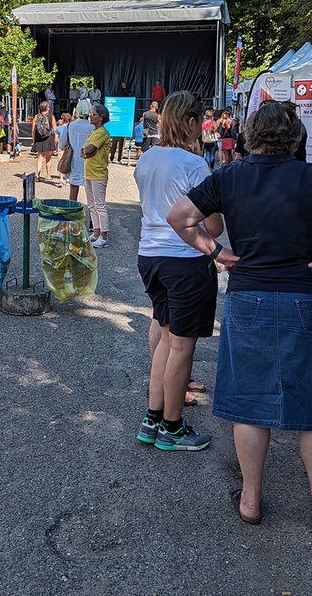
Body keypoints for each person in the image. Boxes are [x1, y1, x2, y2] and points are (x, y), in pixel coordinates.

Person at [167, 101, 312, 533]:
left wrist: (216, 252)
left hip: (250, 297)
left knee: (250, 403)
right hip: (307, 297)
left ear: (250, 136)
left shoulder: (229, 176)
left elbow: (179, 217)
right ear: (293, 136)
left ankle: (250, 501)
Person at [134, 92, 224, 452]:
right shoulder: (193, 164)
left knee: (167, 340)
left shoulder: (147, 158)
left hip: (150, 257)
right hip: (185, 261)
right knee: (182, 347)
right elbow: (214, 226)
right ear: (189, 122)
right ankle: (172, 426)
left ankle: (152, 417)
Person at [81, 103, 112, 248]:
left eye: (94, 114)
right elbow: (84, 150)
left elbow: (88, 150)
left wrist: (86, 151)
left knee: (100, 205)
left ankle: (104, 236)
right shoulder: (94, 132)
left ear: (101, 117)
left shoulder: (102, 133)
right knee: (92, 205)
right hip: (90, 171)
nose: (90, 116)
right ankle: (96, 232)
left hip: (98, 172)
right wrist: (86, 151)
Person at [64, 103, 94, 201]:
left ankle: (71, 214)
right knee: (91, 195)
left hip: (73, 161)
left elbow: (61, 145)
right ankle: (92, 216)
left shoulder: (70, 125)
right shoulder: (93, 127)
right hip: (89, 162)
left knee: (73, 191)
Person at [31, 101, 57, 185]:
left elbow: (33, 130)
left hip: (39, 139)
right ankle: (48, 175)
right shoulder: (51, 116)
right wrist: (55, 139)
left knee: (40, 157)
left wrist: (34, 139)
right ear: (47, 108)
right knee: (48, 158)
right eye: (48, 107)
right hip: (48, 138)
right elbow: (54, 129)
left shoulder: (36, 116)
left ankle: (38, 175)